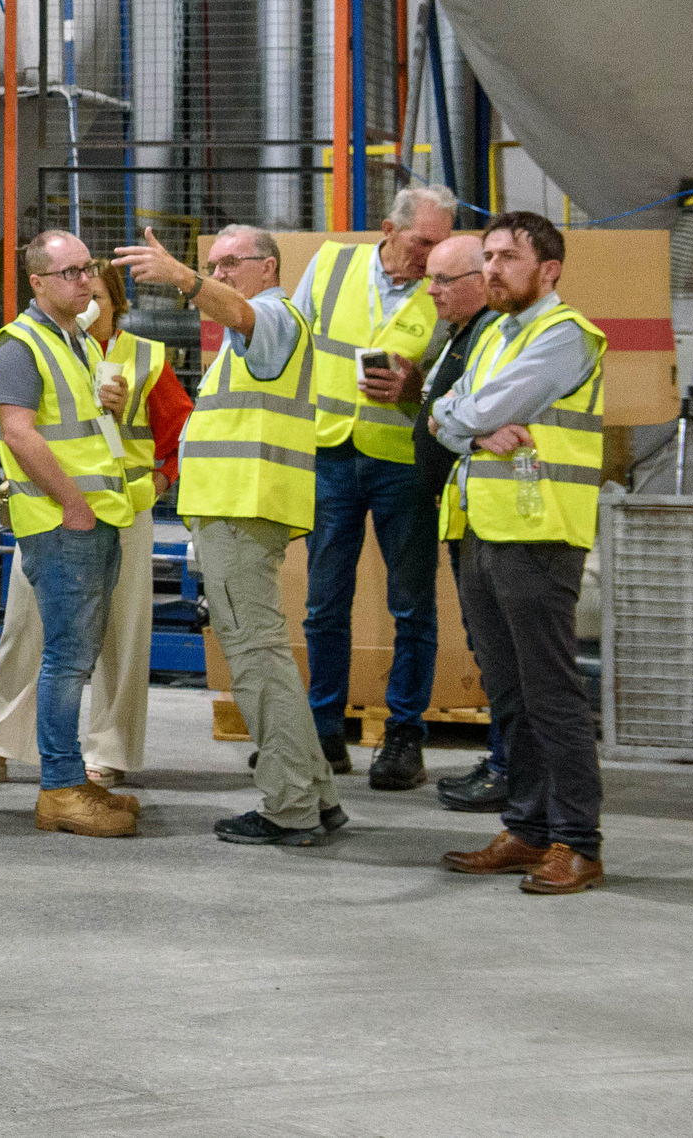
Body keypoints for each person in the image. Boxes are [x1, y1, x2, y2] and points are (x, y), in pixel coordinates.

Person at [114, 222, 346, 848]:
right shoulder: (248, 341)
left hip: (244, 512)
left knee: (255, 659)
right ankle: (315, 794)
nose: (218, 275)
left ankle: (290, 807)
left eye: (229, 264)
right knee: (265, 656)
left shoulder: (273, 321)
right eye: (210, 266)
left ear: (268, 267)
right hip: (237, 511)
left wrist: (184, 279)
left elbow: (240, 313)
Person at [0, 260, 189, 789]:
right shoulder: (50, 346)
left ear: (116, 303)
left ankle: (111, 751)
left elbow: (179, 433)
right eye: (78, 286)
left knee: (122, 635)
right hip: (53, 511)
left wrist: (161, 483)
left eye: (97, 293)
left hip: (124, 510)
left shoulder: (144, 357)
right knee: (26, 627)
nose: (85, 299)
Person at [434, 211, 609, 896]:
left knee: (551, 694)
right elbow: (440, 412)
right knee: (509, 695)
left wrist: (464, 418)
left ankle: (578, 840)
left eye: (508, 256)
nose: (492, 269)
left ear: (550, 269)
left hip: (539, 537)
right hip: (484, 528)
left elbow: (468, 411)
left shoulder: (563, 336)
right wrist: (468, 424)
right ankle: (529, 828)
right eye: (488, 256)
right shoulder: (491, 336)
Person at [0, 232, 141, 836]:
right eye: (70, 271)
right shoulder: (20, 346)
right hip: (63, 522)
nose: (85, 280)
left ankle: (69, 783)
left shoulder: (77, 342)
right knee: (67, 661)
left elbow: (85, 429)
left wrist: (112, 407)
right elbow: (18, 433)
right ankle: (61, 788)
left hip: (95, 517)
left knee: (78, 655)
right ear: (38, 283)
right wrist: (72, 503)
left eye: (87, 268)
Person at [297, 183, 460, 786]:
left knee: (412, 604)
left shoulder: (448, 289)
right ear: (389, 230)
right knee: (324, 604)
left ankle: (404, 739)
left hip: (403, 461)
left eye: (442, 244)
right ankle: (323, 733)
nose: (432, 257)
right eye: (423, 241)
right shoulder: (331, 264)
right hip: (331, 452)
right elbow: (294, 343)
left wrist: (417, 391)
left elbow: (460, 378)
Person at [406, 235, 508, 811]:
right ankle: (507, 758)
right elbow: (446, 411)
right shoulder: (460, 335)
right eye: (431, 279)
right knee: (488, 646)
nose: (433, 290)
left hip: (494, 519)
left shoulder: (492, 334)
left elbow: (470, 412)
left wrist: (450, 421)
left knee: (501, 652)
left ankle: (510, 765)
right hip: (466, 514)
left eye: (444, 280)